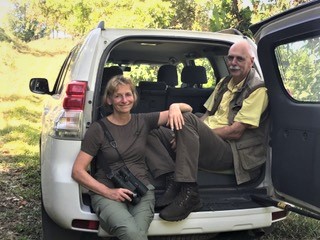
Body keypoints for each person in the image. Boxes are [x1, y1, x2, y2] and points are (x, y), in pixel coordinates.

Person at [145, 40, 269, 222]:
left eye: (239, 59)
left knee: (187, 119)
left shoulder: (258, 90)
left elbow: (235, 132)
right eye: (230, 58)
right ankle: (172, 180)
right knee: (151, 128)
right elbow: (205, 116)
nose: (233, 62)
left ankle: (189, 192)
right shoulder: (224, 83)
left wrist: (192, 133)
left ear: (251, 61)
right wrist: (184, 134)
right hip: (207, 142)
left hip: (232, 151)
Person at [71, 75, 193, 240]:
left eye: (128, 94)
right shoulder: (98, 129)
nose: (124, 100)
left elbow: (188, 109)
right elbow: (78, 171)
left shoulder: (143, 121)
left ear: (134, 97)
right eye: (118, 95)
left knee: (136, 235)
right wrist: (109, 192)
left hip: (141, 190)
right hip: (107, 191)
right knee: (132, 233)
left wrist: (174, 106)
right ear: (109, 100)